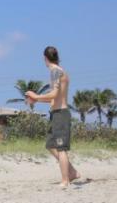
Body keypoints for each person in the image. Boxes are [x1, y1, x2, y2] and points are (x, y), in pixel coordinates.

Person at [25, 46, 80, 188]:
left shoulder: (55, 71)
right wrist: (37, 99)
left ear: (45, 58)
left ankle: (65, 180)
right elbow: (53, 98)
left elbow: (55, 94)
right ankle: (72, 172)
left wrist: (36, 96)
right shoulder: (60, 71)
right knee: (50, 144)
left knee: (61, 148)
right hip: (56, 114)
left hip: (61, 114)